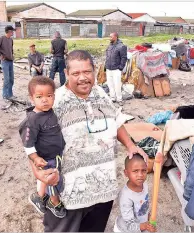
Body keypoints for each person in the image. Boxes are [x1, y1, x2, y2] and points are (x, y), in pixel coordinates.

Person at [28, 50, 152, 232]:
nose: (82, 78)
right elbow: (32, 142)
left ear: (94, 70)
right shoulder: (54, 102)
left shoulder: (100, 92)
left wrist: (131, 145)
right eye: (76, 73)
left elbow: (115, 120)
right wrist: (38, 172)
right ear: (66, 74)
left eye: (87, 72)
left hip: (104, 190)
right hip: (67, 195)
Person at [19, 76, 66, 218]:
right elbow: (28, 144)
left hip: (56, 154)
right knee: (52, 179)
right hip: (45, 158)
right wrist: (35, 157)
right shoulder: (32, 120)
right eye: (39, 97)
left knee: (51, 177)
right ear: (32, 98)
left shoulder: (50, 112)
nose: (45, 100)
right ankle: (54, 202)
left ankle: (39, 197)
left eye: (49, 96)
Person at [114, 154, 157, 233]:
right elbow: (129, 225)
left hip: (141, 224)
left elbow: (144, 203)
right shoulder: (125, 197)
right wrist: (145, 226)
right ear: (126, 173)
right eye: (135, 171)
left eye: (143, 170)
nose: (140, 175)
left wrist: (147, 216)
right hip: (126, 229)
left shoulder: (144, 184)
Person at [0, 25, 15, 100]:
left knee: (11, 79)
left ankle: (10, 94)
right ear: (9, 31)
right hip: (5, 62)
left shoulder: (11, 40)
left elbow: (11, 49)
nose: (13, 32)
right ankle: (5, 95)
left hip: (10, 61)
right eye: (12, 31)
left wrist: (12, 55)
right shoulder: (1, 38)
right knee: (6, 79)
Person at [105, 32, 127, 106]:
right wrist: (106, 66)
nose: (109, 38)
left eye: (111, 37)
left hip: (116, 69)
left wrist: (120, 68)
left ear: (115, 37)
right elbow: (107, 56)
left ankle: (119, 99)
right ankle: (112, 98)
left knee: (117, 85)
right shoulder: (109, 46)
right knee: (110, 84)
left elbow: (124, 58)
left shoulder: (121, 46)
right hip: (109, 69)